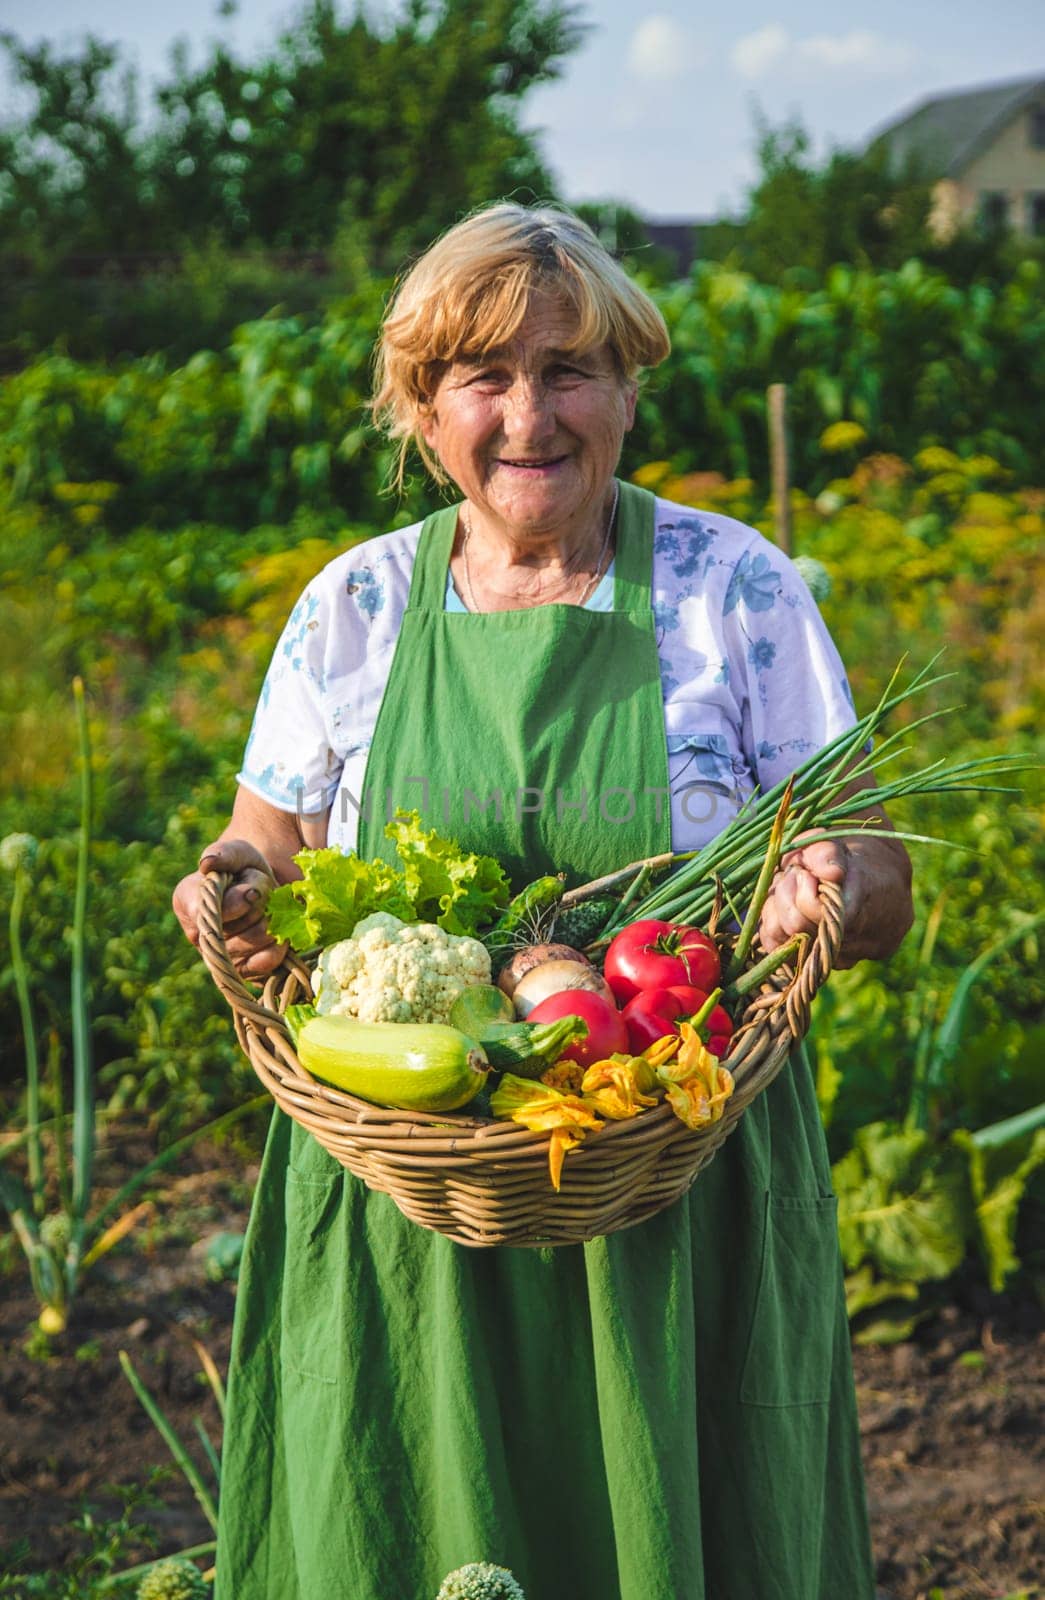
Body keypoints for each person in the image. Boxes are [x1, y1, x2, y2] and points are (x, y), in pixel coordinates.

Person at [174, 202, 913, 1600]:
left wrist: (832, 885)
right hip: (407, 1188)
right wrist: (224, 892)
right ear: (420, 405)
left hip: (675, 1187)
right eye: (483, 376)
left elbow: (877, 865)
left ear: (629, 388)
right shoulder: (355, 608)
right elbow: (260, 840)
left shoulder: (729, 592)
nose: (531, 414)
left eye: (570, 367)